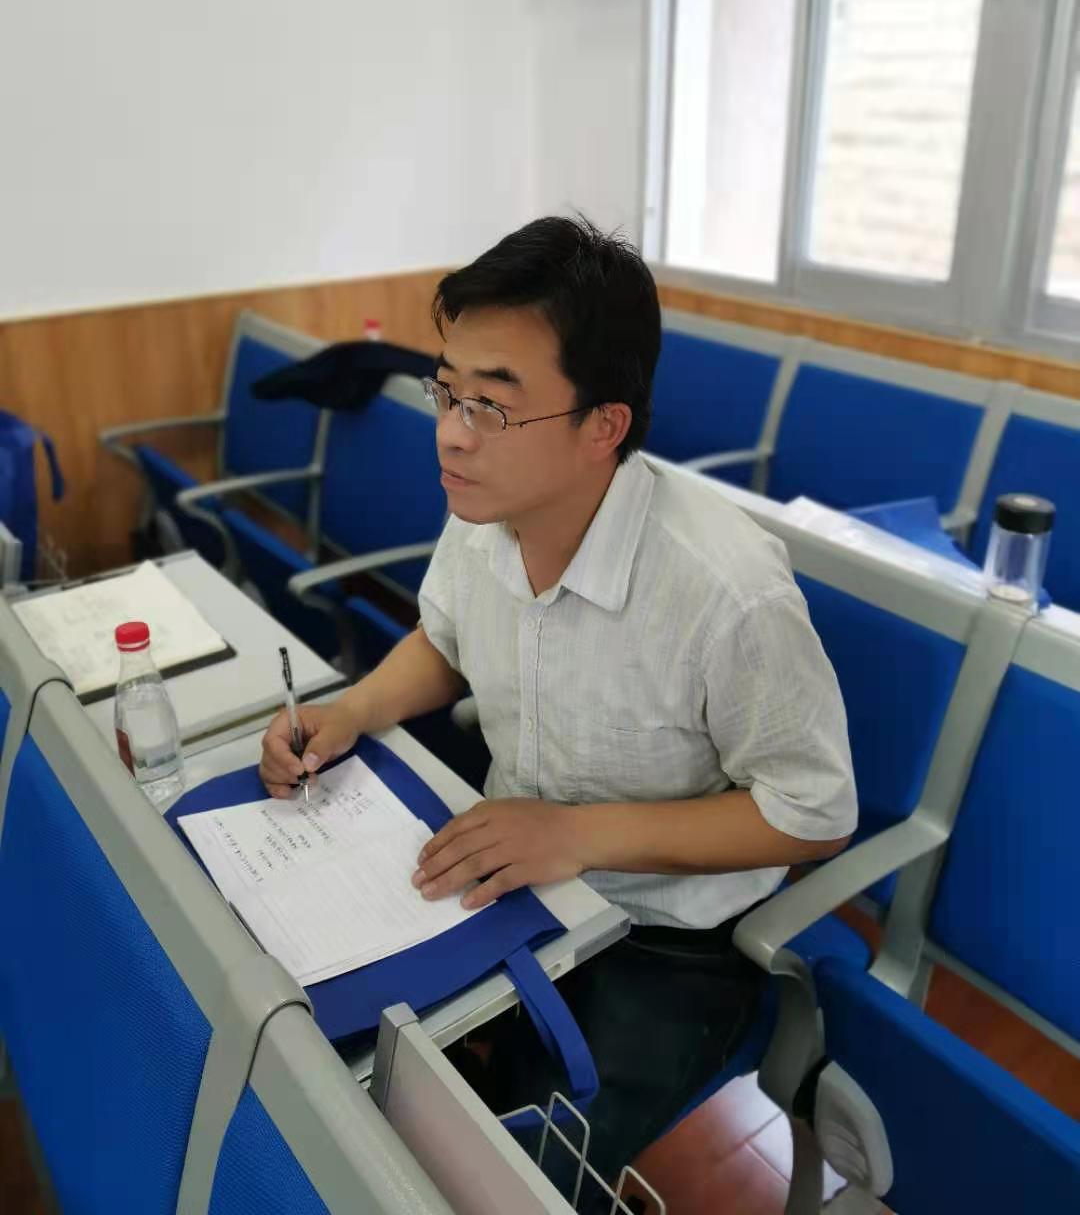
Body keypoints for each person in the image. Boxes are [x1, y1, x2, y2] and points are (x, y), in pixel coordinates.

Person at [259, 214, 856, 1196]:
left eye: (492, 407)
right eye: (445, 391)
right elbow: (446, 642)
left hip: (670, 942)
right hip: (516, 883)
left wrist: (576, 836)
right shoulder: (484, 512)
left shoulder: (725, 590)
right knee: (341, 1073)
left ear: (603, 426)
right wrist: (354, 708)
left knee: (505, 1173)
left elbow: (815, 813)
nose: (451, 432)